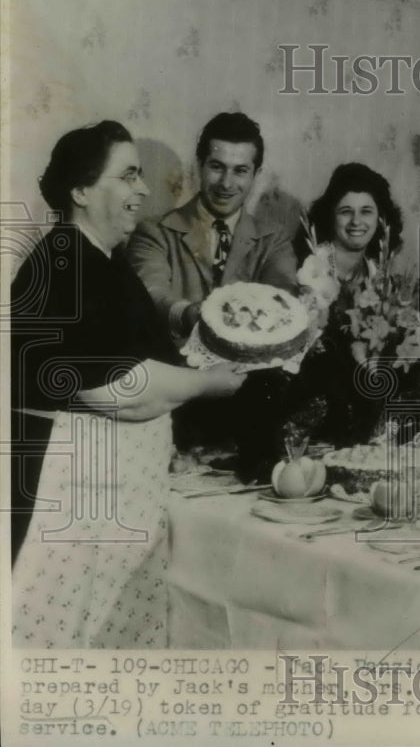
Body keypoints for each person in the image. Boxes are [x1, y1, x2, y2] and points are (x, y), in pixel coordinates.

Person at [10, 121, 246, 648]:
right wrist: (210, 383)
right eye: (129, 176)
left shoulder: (99, 262)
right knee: (64, 652)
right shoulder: (66, 266)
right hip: (75, 500)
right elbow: (120, 387)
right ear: (81, 191)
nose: (143, 190)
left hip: (110, 497)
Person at [126, 112, 298, 343]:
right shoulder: (154, 232)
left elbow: (282, 298)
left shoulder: (274, 239)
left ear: (255, 175)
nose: (226, 183)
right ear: (199, 166)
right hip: (178, 372)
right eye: (217, 167)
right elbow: (151, 294)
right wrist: (188, 315)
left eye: (240, 171)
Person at [284, 164, 404, 450]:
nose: (356, 221)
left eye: (366, 211)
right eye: (345, 211)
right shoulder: (308, 267)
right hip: (312, 389)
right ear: (330, 216)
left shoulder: (379, 274)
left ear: (380, 219)